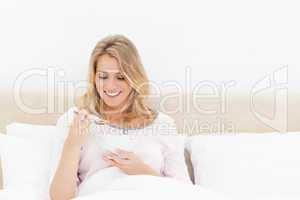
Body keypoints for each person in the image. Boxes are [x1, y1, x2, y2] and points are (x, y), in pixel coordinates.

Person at [49, 34, 191, 200]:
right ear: (94, 78)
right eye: (103, 76)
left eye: (121, 77)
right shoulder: (75, 120)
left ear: (134, 77)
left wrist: (143, 172)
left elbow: (185, 193)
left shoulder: (164, 124)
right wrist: (72, 145)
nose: (110, 86)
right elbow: (59, 197)